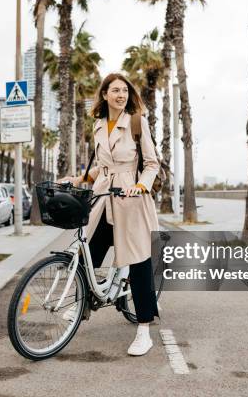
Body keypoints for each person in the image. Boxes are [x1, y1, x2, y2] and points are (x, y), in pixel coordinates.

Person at [58, 73, 160, 356]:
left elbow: (151, 163)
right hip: (104, 197)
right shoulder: (99, 125)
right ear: (104, 94)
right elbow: (101, 167)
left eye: (124, 90)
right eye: (115, 90)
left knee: (138, 261)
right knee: (90, 250)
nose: (121, 95)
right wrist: (79, 179)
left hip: (131, 197)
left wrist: (141, 186)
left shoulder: (137, 121)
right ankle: (83, 304)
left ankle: (143, 331)